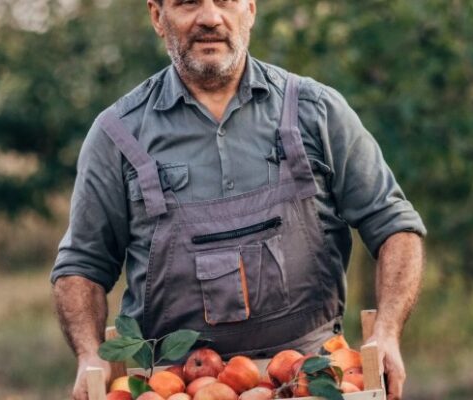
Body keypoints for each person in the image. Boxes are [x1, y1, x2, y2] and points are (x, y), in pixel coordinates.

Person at [50, 1, 426, 399]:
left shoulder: (316, 112)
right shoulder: (118, 135)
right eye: (188, 2)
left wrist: (386, 333)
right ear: (157, 17)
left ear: (250, 9)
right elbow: (82, 265)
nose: (210, 17)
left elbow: (395, 225)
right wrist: (90, 356)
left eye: (226, 0)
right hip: (169, 387)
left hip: (310, 382)